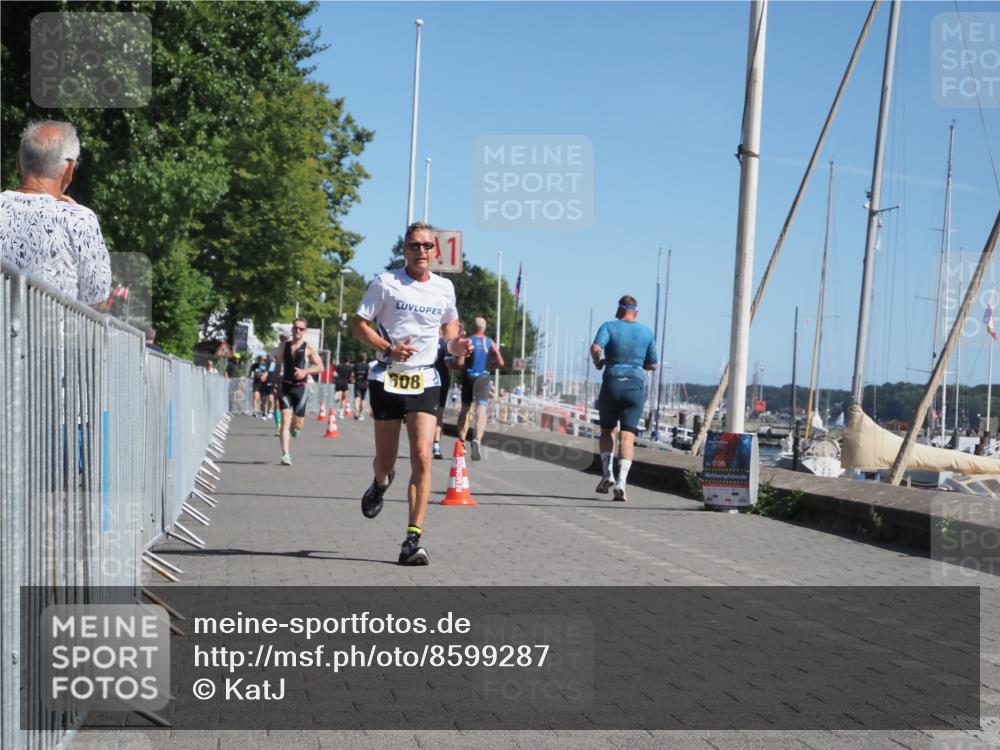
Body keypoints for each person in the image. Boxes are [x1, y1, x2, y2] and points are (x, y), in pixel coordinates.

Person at [352, 221, 471, 566]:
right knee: (386, 462)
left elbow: (448, 331)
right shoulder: (386, 283)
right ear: (404, 250)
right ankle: (379, 482)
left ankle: (412, 539)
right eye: (414, 245)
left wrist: (456, 344)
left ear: (436, 251)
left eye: (427, 246)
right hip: (387, 378)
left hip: (425, 379)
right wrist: (388, 348)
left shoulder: (444, 288)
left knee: (421, 455)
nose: (421, 251)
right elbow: (359, 324)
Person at [1, 120, 111, 306]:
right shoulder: (79, 220)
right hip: (51, 334)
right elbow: (97, 299)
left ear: (18, 162)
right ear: (69, 169)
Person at [590, 295, 658, 502]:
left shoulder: (609, 326)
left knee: (607, 431)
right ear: (635, 312)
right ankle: (621, 482)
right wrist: (643, 365)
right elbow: (653, 364)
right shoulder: (646, 332)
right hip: (634, 386)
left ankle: (607, 472)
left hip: (612, 383)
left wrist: (598, 362)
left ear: (619, 311)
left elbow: (595, 348)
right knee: (627, 436)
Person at [275, 318, 324, 465]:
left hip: (300, 388)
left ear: (305, 331)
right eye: (296, 328)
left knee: (298, 425)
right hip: (285, 386)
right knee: (285, 419)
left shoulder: (308, 347)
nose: (298, 331)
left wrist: (305, 371)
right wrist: (274, 382)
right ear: (292, 329)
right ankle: (285, 454)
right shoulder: (284, 345)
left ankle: (295, 428)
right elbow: (278, 365)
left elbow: (320, 367)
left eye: (301, 329)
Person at [456, 317, 504, 461]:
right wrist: (491, 368)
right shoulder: (490, 342)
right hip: (483, 377)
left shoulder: (468, 341)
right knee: (481, 409)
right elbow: (501, 362)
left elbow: (460, 363)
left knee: (465, 409)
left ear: (473, 327)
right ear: (484, 328)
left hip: (469, 375)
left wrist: (461, 367)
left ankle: (462, 442)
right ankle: (477, 439)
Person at [432, 327, 454, 459]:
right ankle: (436, 445)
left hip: (427, 381)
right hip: (441, 382)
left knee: (426, 413)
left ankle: (425, 442)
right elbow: (449, 364)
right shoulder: (446, 345)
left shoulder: (427, 342)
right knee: (439, 414)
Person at [352, 353, 370, 420]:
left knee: (357, 397)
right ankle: (361, 414)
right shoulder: (367, 366)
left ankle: (356, 412)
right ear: (365, 358)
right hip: (365, 384)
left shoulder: (356, 365)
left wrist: (353, 380)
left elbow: (352, 374)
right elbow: (369, 375)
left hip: (357, 383)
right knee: (362, 399)